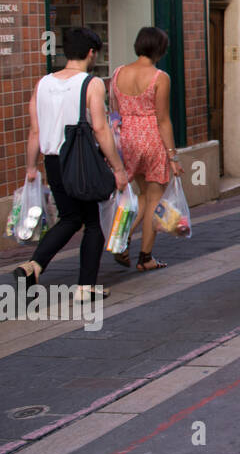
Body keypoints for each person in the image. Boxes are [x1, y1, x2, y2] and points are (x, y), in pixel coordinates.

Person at [15, 27, 129, 300]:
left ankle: (34, 265)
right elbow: (100, 130)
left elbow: (35, 131)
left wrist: (31, 167)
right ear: (91, 53)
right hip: (80, 161)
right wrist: (118, 168)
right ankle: (85, 286)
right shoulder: (91, 84)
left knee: (70, 217)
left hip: (53, 162)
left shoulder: (43, 83)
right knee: (92, 223)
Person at [108, 26, 182, 271]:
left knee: (140, 194)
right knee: (154, 198)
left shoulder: (118, 73)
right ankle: (145, 257)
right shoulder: (160, 77)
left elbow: (114, 110)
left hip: (127, 138)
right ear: (160, 49)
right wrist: (172, 156)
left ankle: (122, 237)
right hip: (151, 138)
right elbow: (163, 119)